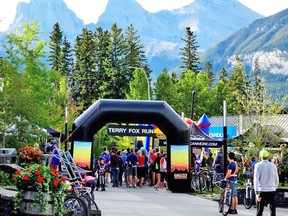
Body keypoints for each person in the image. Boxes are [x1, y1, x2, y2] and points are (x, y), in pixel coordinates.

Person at [254, 149, 279, 216]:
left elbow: (256, 180)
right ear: (268, 156)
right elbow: (276, 179)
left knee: (259, 211)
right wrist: (274, 188)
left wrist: (256, 193)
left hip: (261, 190)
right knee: (272, 211)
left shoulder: (257, 165)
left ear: (260, 156)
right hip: (271, 190)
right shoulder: (273, 166)